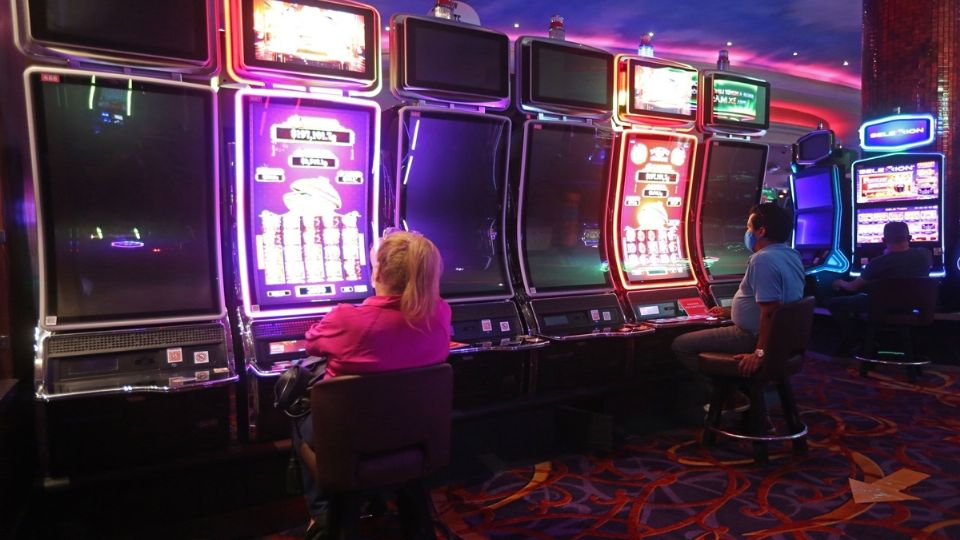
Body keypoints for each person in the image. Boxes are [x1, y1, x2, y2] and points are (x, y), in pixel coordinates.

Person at [293, 230, 452, 539]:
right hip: (415, 434)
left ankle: (322, 512)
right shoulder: (440, 313)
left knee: (297, 413)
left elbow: (311, 342)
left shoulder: (346, 318)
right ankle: (400, 505)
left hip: (351, 441)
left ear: (378, 272)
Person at [672, 203, 805, 409]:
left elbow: (771, 312)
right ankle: (737, 390)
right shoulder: (790, 254)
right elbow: (781, 301)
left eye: (749, 227)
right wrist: (731, 311)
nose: (747, 232)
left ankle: (726, 396)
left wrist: (759, 354)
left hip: (753, 337)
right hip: (783, 339)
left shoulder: (763, 259)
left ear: (761, 231)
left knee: (681, 345)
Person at [826, 221, 932, 352]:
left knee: (832, 302)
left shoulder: (878, 263)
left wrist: (839, 282)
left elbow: (852, 287)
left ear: (883, 240)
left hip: (880, 308)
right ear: (909, 238)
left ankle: (857, 339)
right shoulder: (925, 255)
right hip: (913, 307)